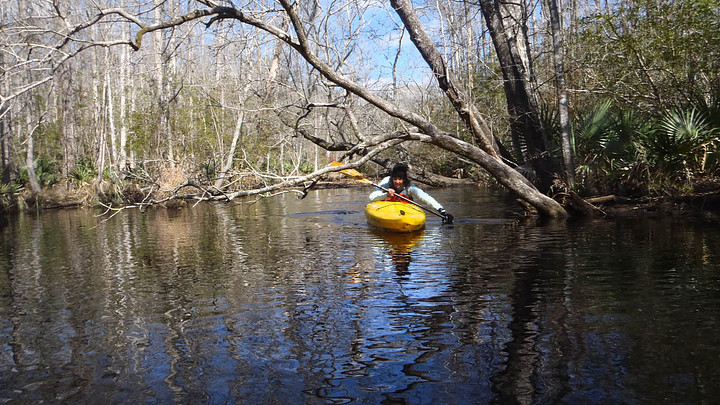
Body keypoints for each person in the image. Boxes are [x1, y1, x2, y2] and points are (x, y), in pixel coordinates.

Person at [369, 163, 454, 223]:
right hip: (387, 209)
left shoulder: (409, 186)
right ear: (392, 178)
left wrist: (441, 210)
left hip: (404, 211)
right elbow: (372, 197)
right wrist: (386, 194)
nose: (397, 182)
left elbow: (424, 197)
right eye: (395, 179)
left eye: (400, 179)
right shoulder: (386, 182)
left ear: (404, 180)